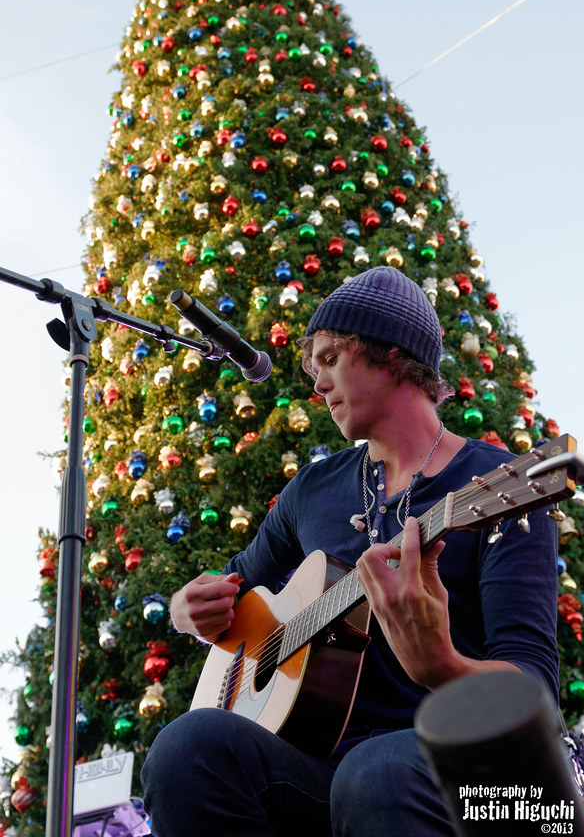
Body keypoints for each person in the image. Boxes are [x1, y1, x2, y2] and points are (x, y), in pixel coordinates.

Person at [141, 266, 559, 836]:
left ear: (392, 356)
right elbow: (233, 586)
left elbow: (534, 693)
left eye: (331, 358)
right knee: (185, 748)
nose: (316, 385)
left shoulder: (498, 485)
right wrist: (188, 610)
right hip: (322, 769)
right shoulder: (310, 491)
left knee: (377, 770)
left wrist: (446, 667)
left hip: (473, 774)